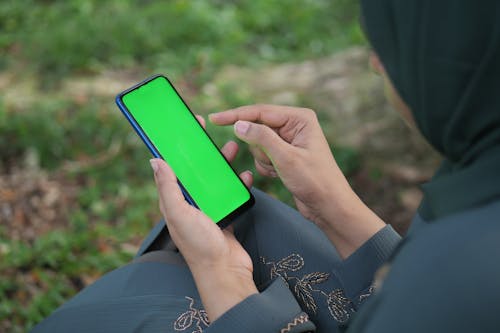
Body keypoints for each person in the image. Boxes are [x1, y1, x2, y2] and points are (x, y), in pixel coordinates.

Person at [32, 0, 500, 332]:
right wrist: (333, 205)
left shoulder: (455, 286)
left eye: (395, 45)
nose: (377, 64)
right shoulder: (478, 197)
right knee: (254, 222)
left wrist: (222, 273)